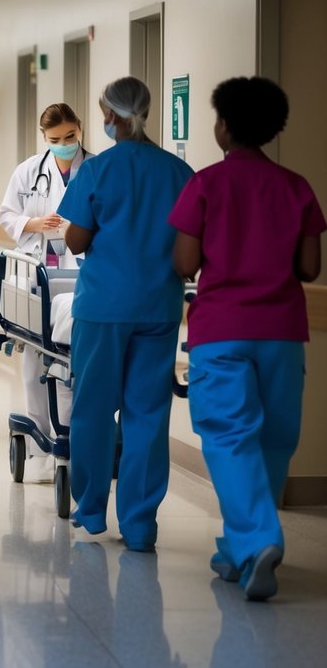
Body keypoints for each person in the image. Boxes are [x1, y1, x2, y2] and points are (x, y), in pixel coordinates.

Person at [169, 76, 325, 600]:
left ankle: (258, 540)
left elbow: (185, 263)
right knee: (273, 439)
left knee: (230, 437)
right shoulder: (297, 187)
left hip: (222, 330)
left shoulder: (206, 184)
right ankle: (240, 548)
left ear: (226, 126)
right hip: (282, 332)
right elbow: (308, 266)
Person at [58, 76, 193, 552]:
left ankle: (92, 508)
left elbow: (74, 240)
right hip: (158, 306)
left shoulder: (97, 170)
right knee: (148, 414)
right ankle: (139, 525)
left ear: (109, 116)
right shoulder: (180, 173)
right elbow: (189, 247)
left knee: (93, 408)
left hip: (104, 307)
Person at [0, 103, 92, 483]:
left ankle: (82, 440)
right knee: (37, 363)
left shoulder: (98, 168)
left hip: (85, 272)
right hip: (41, 270)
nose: (65, 145)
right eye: (56, 140)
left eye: (70, 137)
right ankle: (39, 444)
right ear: (44, 138)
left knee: (80, 363)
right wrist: (33, 223)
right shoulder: (28, 171)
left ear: (80, 130)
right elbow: (6, 215)